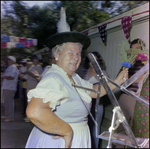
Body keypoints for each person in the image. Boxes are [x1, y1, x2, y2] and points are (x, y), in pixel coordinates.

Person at [25, 7, 128, 148]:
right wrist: (66, 131)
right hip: (60, 142)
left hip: (77, 138)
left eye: (78, 53)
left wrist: (117, 81)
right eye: (70, 53)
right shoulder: (54, 77)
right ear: (57, 54)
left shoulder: (72, 77)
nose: (76, 58)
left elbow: (94, 91)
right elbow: (34, 111)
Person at [116, 38, 148, 148]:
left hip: (135, 98)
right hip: (123, 96)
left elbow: (140, 79)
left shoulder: (144, 62)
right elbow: (118, 79)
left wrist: (127, 79)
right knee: (121, 128)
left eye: (137, 49)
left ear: (142, 49)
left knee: (136, 128)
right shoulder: (127, 63)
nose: (134, 51)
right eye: (132, 49)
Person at [78, 51, 109, 148]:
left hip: (97, 103)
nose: (93, 62)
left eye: (95, 59)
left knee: (95, 128)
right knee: (85, 126)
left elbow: (107, 88)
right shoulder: (85, 72)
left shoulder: (103, 73)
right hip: (84, 103)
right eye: (91, 60)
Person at [24, 54, 43, 122]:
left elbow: (36, 77)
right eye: (33, 59)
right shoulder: (33, 66)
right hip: (29, 85)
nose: (34, 60)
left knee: (31, 102)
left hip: (33, 86)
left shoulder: (38, 67)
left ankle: (30, 117)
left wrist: (29, 73)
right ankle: (29, 116)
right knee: (29, 102)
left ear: (38, 60)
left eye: (36, 59)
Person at [1, 56, 19, 122]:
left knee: (10, 102)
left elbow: (12, 77)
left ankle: (11, 117)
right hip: (6, 87)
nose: (8, 62)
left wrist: (3, 76)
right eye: (8, 60)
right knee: (6, 102)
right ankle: (7, 114)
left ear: (13, 61)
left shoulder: (14, 68)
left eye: (9, 60)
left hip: (10, 88)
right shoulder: (9, 67)